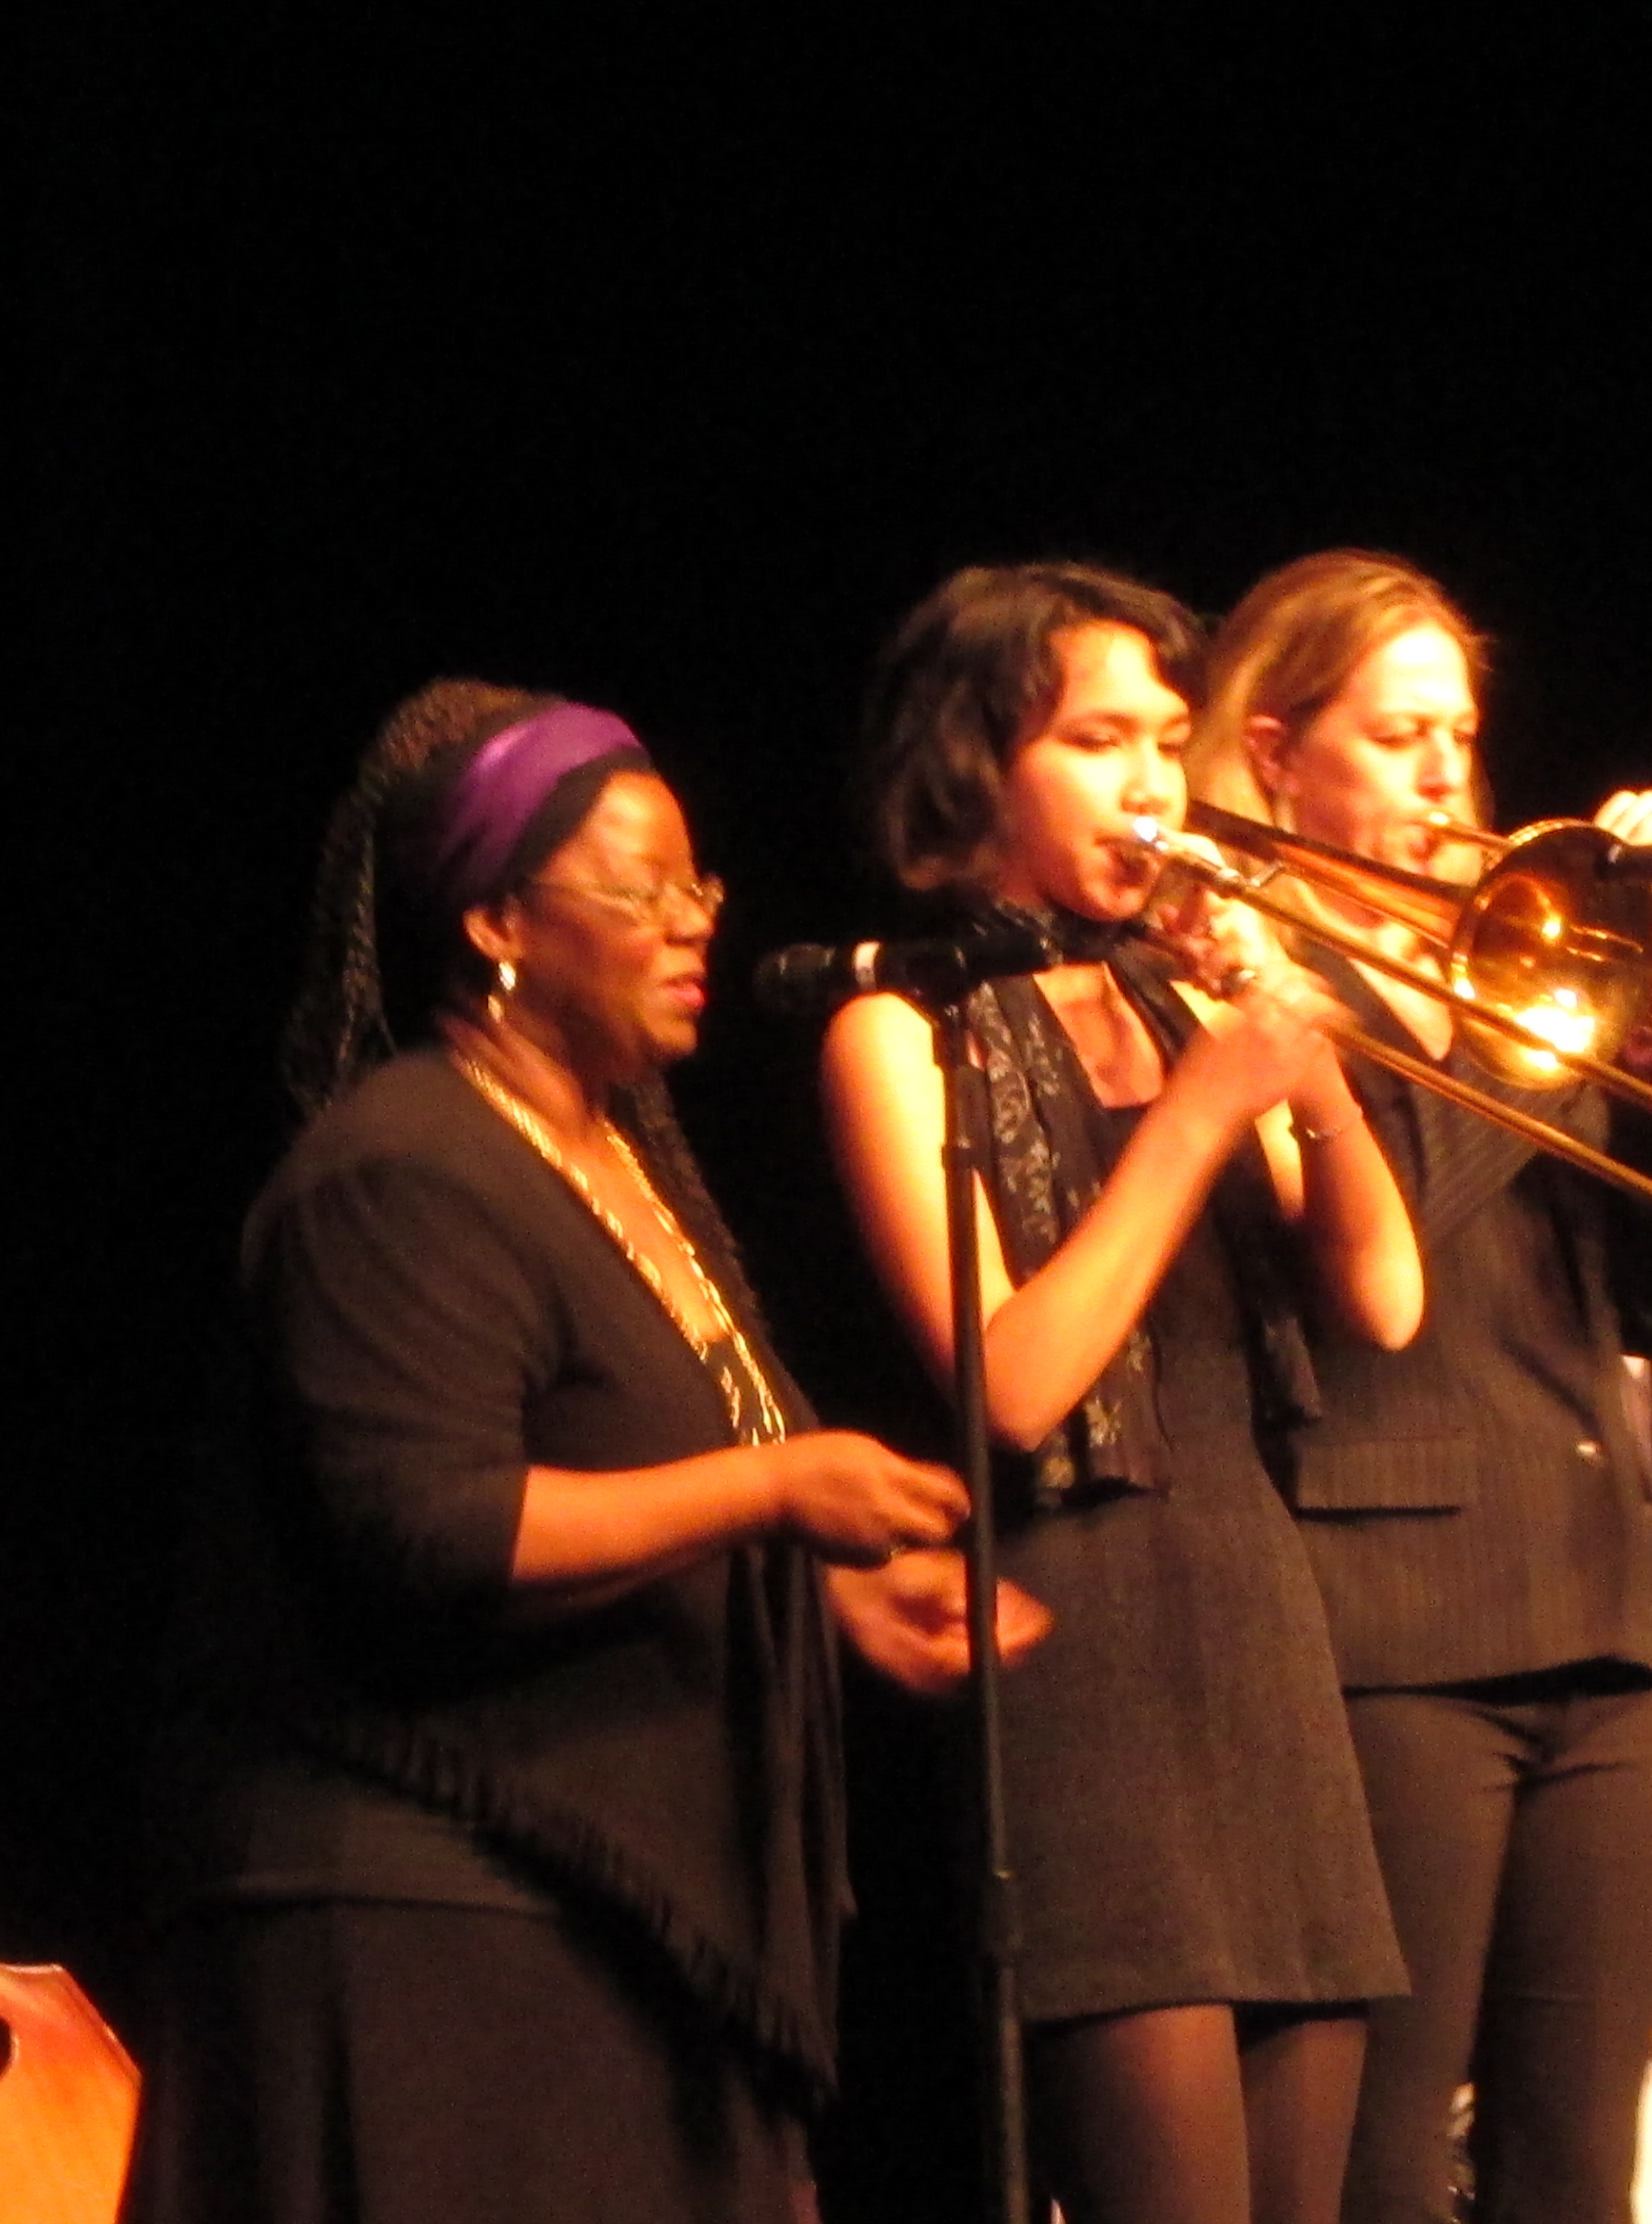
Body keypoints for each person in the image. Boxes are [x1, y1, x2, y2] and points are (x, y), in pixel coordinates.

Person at [125, 680, 1033, 2224]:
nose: (693, 925)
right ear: (495, 924)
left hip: (596, 1923)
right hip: (437, 1928)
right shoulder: (401, 1167)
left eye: (700, 885)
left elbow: (625, 1493)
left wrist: (831, 1605)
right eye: (641, 889)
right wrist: (773, 1488)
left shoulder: (612, 1172)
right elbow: (430, 1531)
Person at [821, 564, 1422, 2224]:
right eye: (1100, 740)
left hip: (1260, 1629)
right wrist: (1203, 1112)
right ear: (974, 770)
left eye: (1169, 737)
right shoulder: (898, 1027)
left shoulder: (1185, 996)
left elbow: (1379, 1298)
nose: (1156, 780)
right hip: (1084, 1659)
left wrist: (1311, 1075)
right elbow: (1009, 1384)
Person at [1186, 549, 1652, 2224]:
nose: (1448, 774)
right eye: (1401, 733)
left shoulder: (1500, 963)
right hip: (1390, 1622)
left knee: (1580, 2169)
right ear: (1277, 754)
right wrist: (1543, 1025)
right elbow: (1379, 1268)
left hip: (1602, 1615)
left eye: (1462, 736)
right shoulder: (1250, 963)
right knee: (1380, 2163)